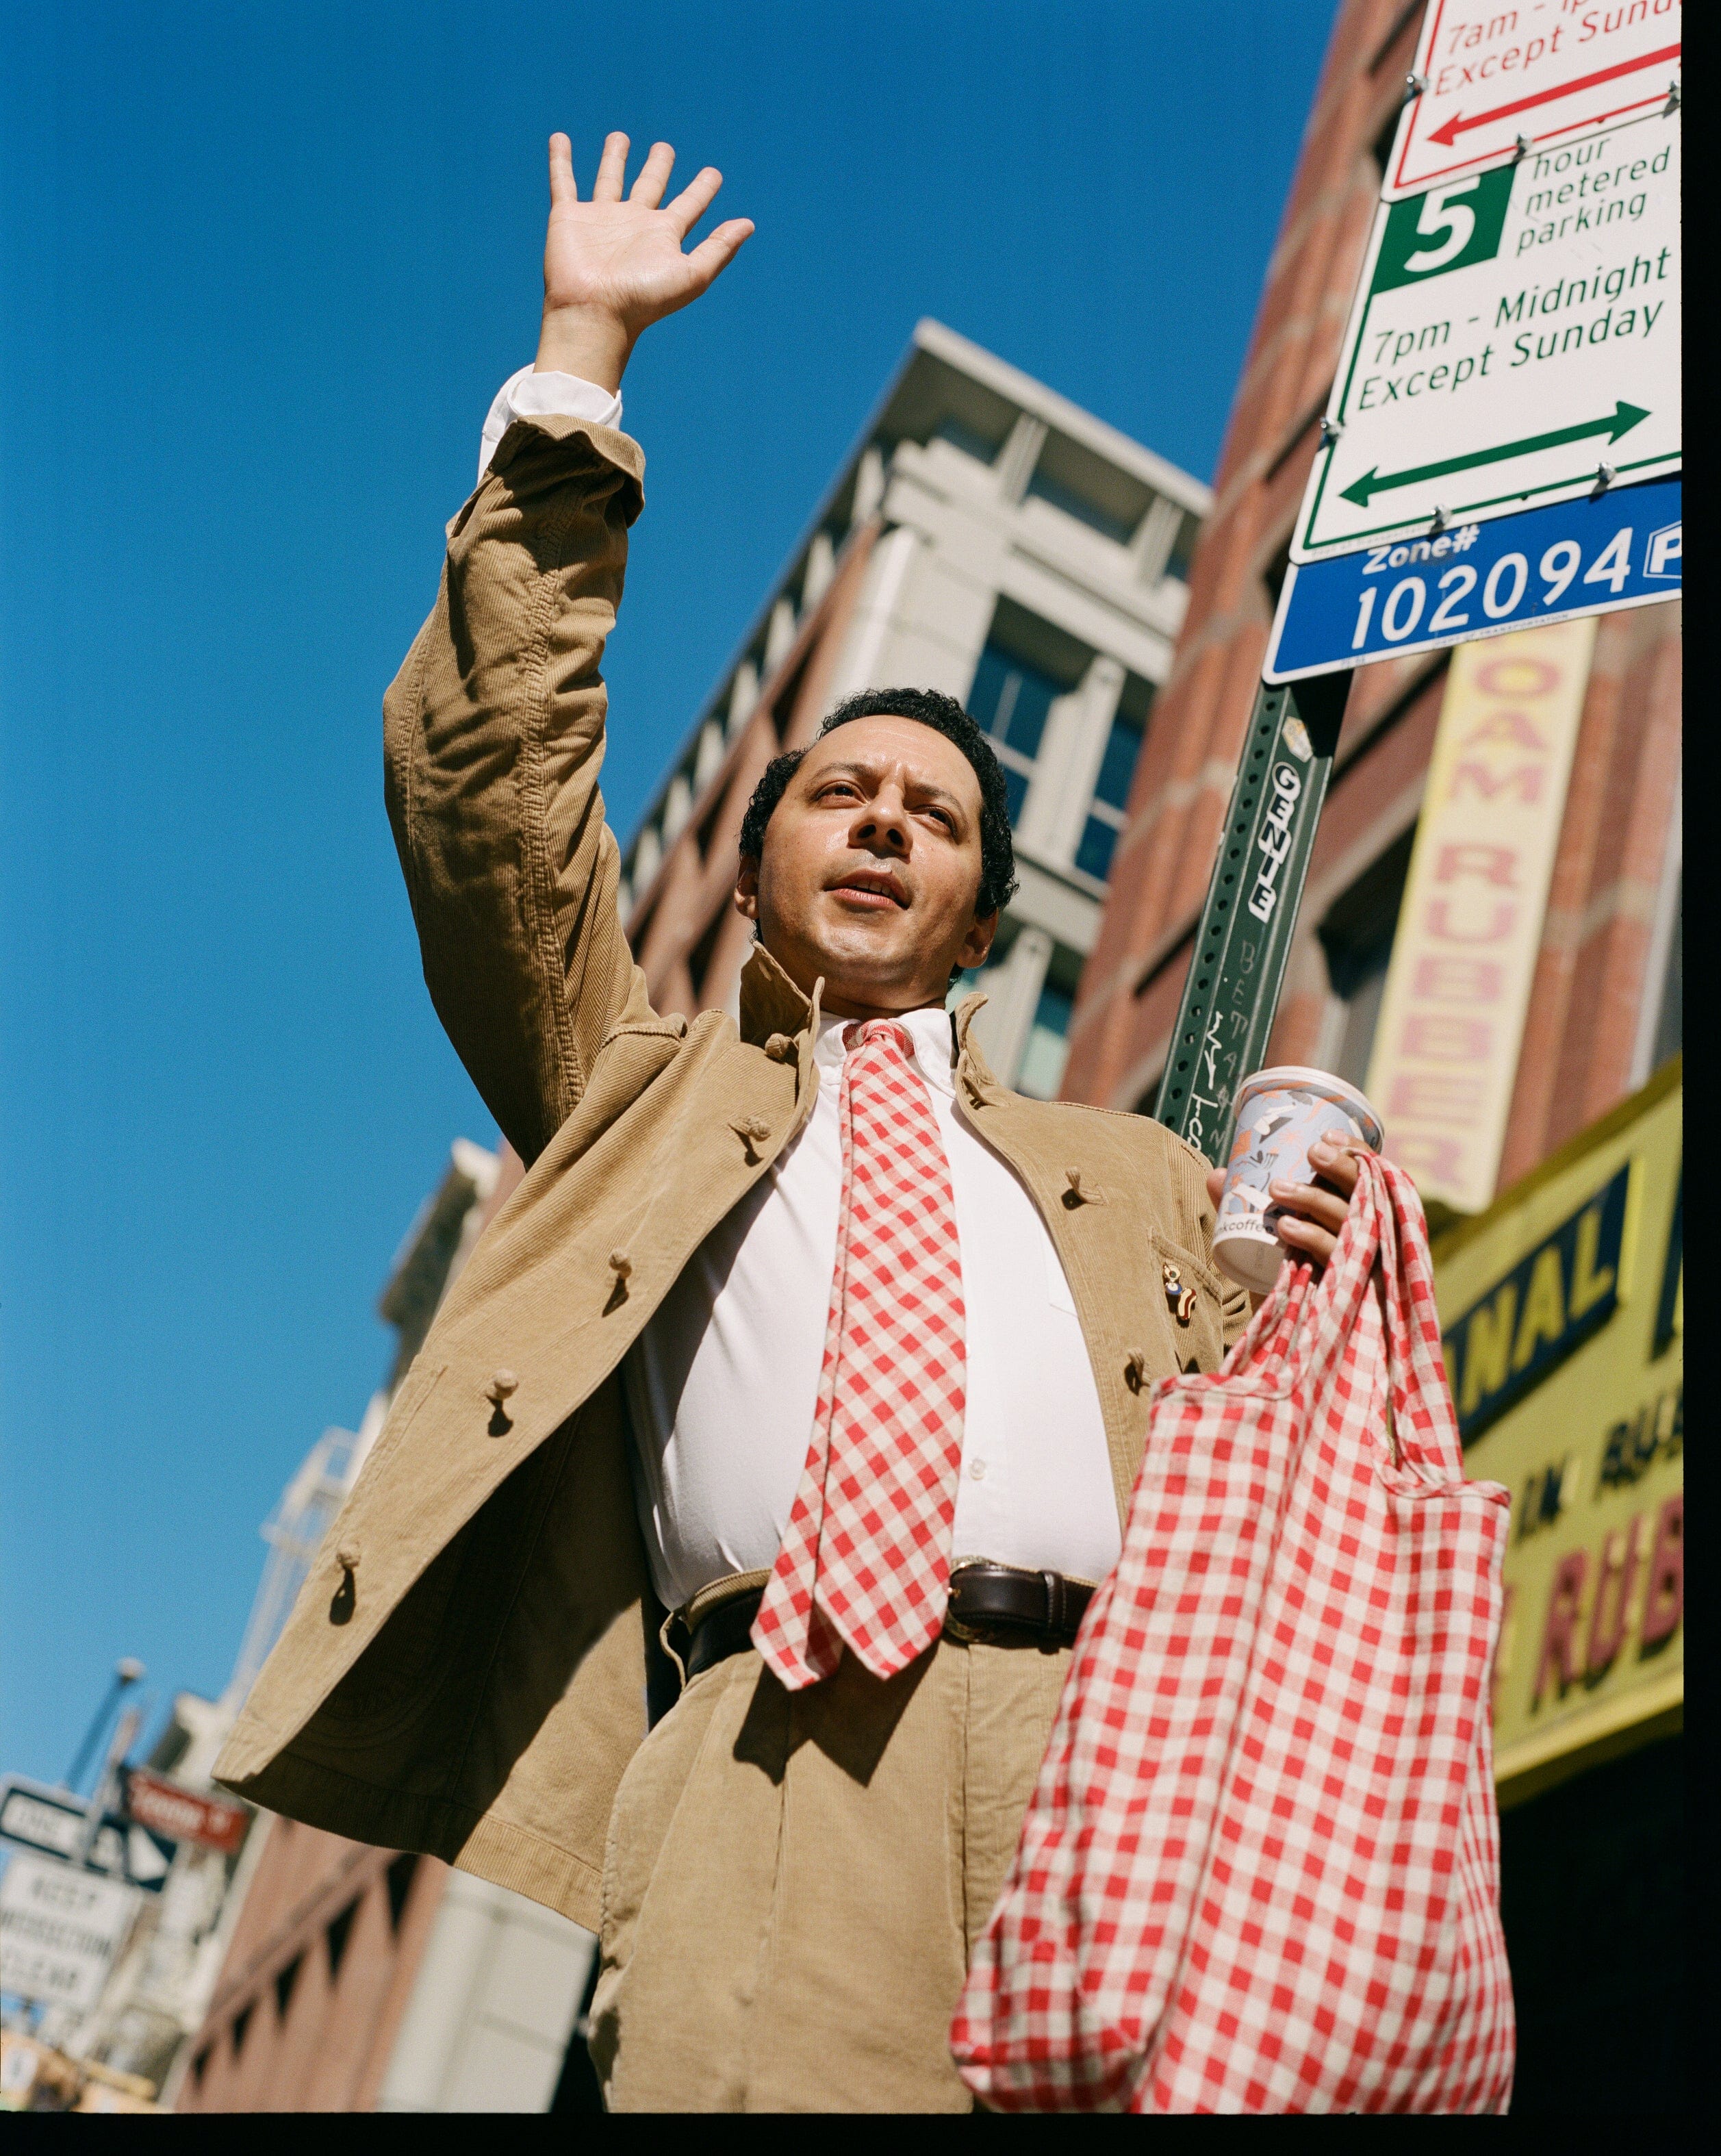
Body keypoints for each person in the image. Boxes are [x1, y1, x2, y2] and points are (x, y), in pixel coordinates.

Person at [216, 131, 1367, 2111]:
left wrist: (1317, 1274)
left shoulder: (1133, 1178)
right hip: (789, 1739)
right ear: (754, 873)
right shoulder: (639, 1095)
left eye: (932, 817)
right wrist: (583, 357)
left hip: (1123, 1762)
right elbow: (488, 793)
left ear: (984, 920)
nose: (886, 822)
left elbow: (1258, 1471)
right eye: (841, 793)